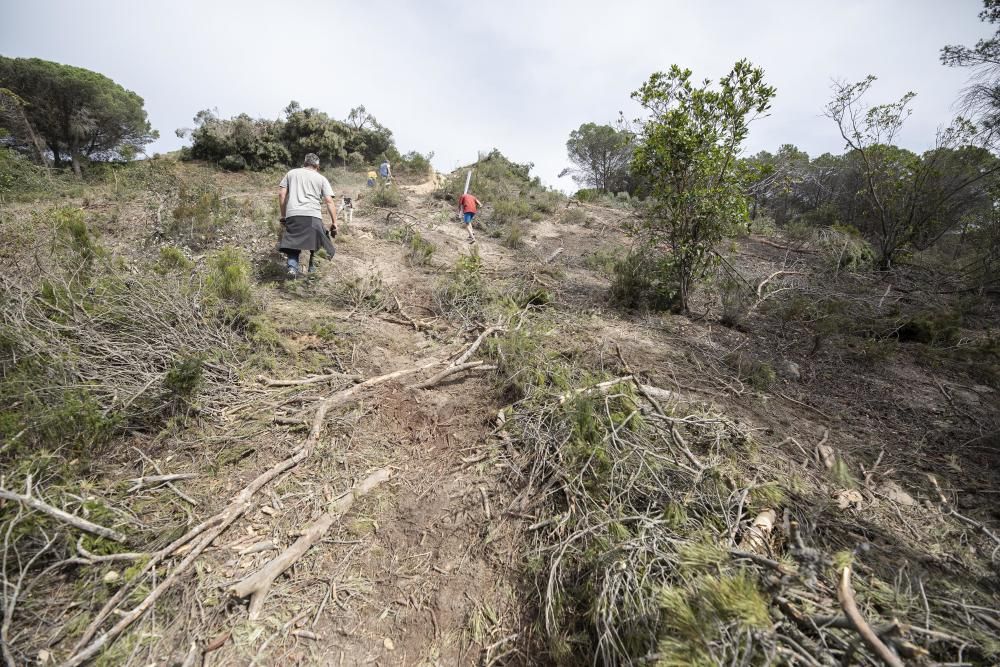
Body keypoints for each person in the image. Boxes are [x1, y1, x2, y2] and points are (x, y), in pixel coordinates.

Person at [278, 153, 338, 277]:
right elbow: (329, 201)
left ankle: (292, 268)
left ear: (304, 163)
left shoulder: (291, 173)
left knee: (293, 242)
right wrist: (334, 222)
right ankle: (312, 272)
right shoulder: (321, 178)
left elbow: (282, 194)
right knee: (319, 243)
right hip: (312, 216)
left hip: (293, 214)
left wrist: (284, 215)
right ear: (318, 166)